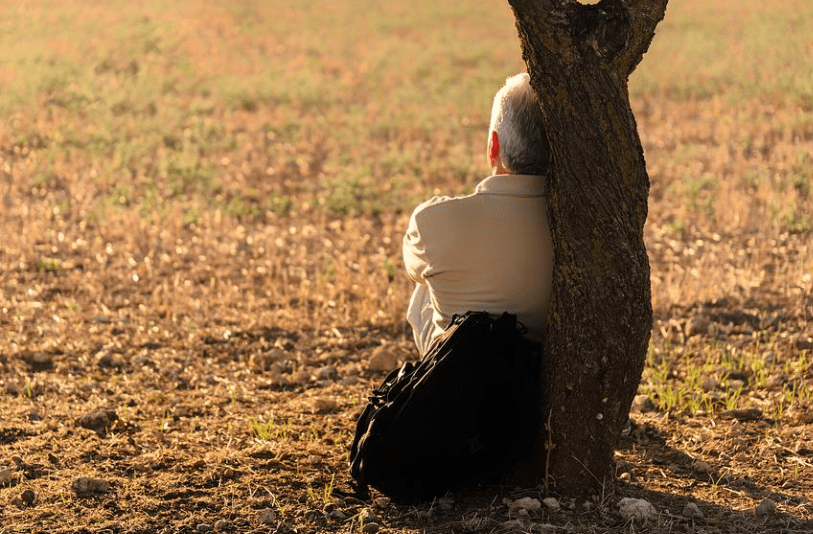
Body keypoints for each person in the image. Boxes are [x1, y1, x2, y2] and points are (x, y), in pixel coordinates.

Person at [403, 73, 555, 356]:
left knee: (426, 283)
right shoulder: (578, 225)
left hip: (460, 378)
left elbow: (413, 270)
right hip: (543, 372)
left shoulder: (432, 220)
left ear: (493, 146)